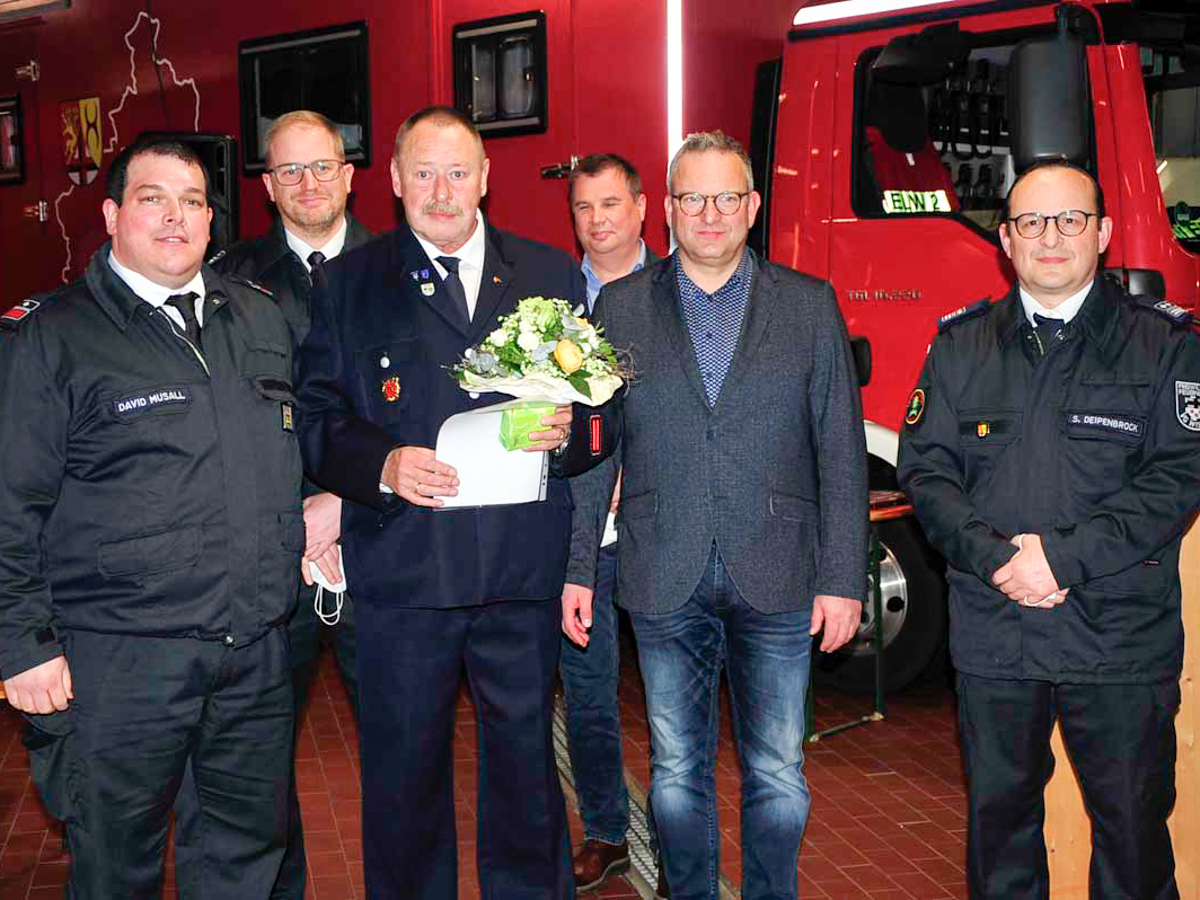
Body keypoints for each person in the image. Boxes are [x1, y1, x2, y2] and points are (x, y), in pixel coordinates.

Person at [294, 105, 600, 900]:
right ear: (393, 182)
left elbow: (600, 415)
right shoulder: (349, 285)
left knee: (528, 775)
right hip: (404, 571)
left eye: (457, 171)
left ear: (485, 180)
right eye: (422, 172)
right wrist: (384, 465)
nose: (440, 190)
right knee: (402, 780)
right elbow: (318, 419)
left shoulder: (550, 276)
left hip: (517, 570)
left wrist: (566, 434)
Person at [564, 130, 868, 900]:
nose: (709, 212)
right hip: (662, 570)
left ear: (753, 206)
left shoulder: (808, 305)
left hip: (782, 571)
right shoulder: (621, 308)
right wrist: (576, 571)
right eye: (692, 197)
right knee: (674, 771)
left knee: (777, 772)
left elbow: (840, 450)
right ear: (666, 209)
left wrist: (844, 579)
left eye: (726, 196)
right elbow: (599, 451)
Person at [0, 137, 302, 898]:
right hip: (121, 665)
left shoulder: (259, 321)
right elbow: (10, 500)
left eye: (194, 201)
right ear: (111, 215)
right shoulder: (53, 335)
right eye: (153, 198)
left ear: (211, 220)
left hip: (254, 655)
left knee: (244, 861)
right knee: (114, 867)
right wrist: (20, 643)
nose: (177, 217)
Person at [897, 160, 1200, 899]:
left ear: (1103, 231)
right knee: (1000, 831)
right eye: (1031, 222)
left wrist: (1061, 559)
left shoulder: (1164, 344)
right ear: (1005, 240)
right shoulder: (960, 346)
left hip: (1120, 638)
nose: (1051, 237)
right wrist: (1000, 561)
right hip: (999, 634)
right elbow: (925, 472)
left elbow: (1178, 476)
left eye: (1070, 219)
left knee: (1131, 833)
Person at [173, 109, 373, 900]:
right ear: (265, 186)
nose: (308, 183)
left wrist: (342, 507)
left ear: (350, 173)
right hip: (271, 563)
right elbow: (229, 419)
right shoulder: (225, 277)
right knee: (255, 770)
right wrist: (294, 519)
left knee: (404, 755)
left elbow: (417, 412)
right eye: (288, 171)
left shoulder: (398, 268)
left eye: (321, 166)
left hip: (378, 544)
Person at [562, 152, 663, 894]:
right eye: (583, 208)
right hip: (585, 538)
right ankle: (606, 831)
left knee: (671, 701)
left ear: (642, 208)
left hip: (663, 527)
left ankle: (676, 843)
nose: (598, 221)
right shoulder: (554, 302)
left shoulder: (682, 291)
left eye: (610, 205)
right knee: (590, 691)